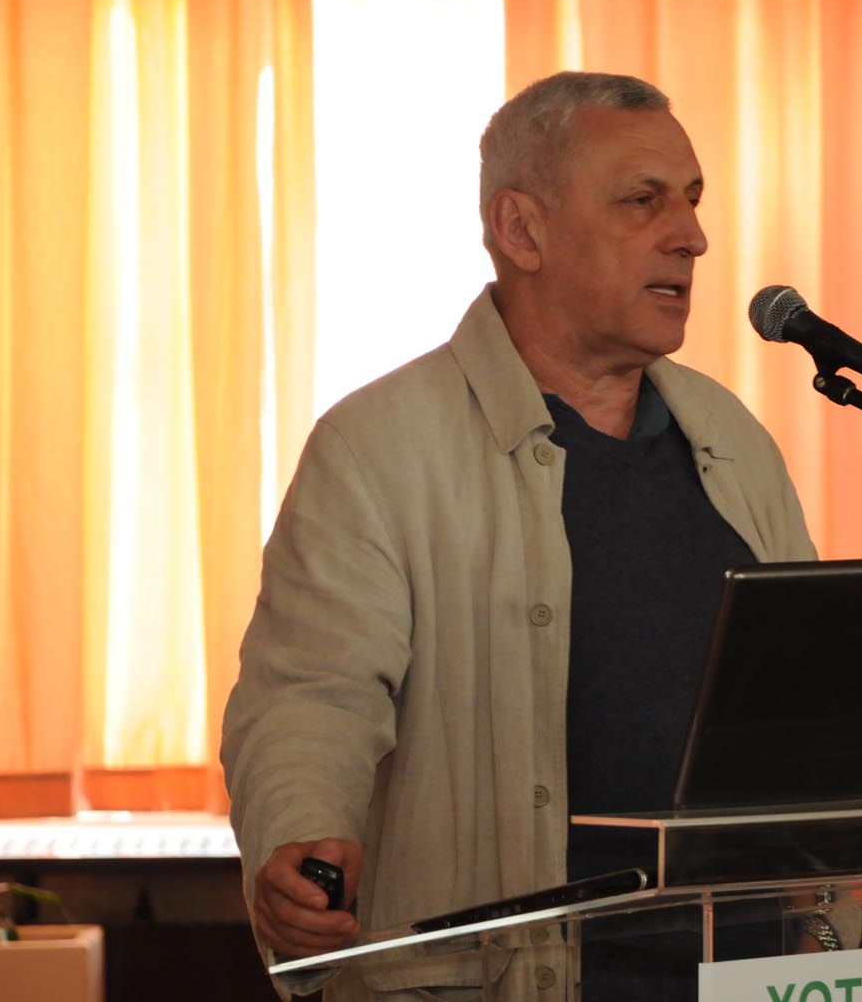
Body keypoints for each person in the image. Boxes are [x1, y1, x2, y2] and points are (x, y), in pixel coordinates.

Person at [220, 71, 816, 1000]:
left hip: (754, 974)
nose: (692, 236)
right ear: (522, 231)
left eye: (692, 200)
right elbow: (311, 695)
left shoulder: (732, 440)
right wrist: (299, 834)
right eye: (643, 201)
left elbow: (806, 705)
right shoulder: (380, 448)